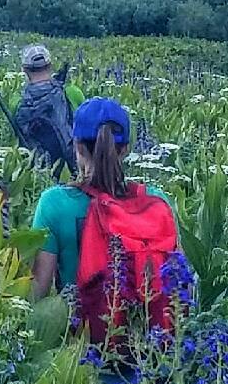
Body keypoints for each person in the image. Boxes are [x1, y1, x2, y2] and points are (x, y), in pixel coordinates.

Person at [30, 97, 185, 352]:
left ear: (77, 146)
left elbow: (38, 291)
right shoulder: (156, 200)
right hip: (152, 359)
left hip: (81, 357)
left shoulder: (54, 203)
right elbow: (179, 279)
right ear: (125, 149)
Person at [8, 43, 76, 176]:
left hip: (35, 174)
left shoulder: (16, 102)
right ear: (50, 66)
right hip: (73, 170)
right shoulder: (71, 92)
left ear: (24, 70)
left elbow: (16, 140)